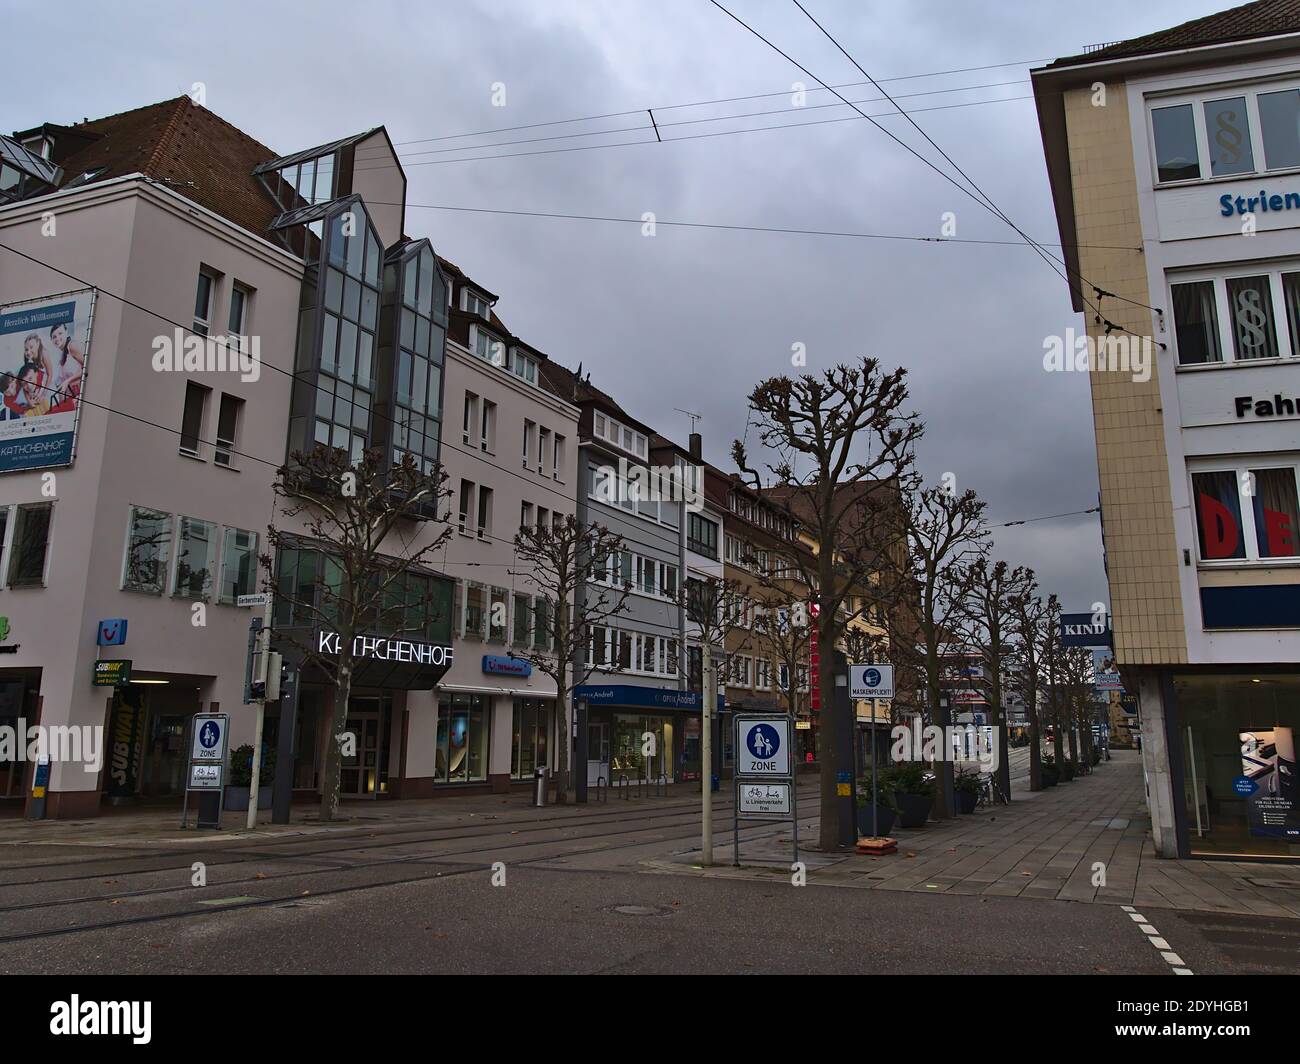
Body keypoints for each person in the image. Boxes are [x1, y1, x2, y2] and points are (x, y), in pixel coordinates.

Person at [46, 322, 84, 412]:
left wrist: (68, 381)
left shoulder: (73, 346)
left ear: (66, 333)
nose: (57, 338)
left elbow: (90, 367)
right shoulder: (62, 356)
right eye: (54, 337)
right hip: (70, 398)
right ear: (51, 340)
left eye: (60, 334)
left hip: (80, 394)